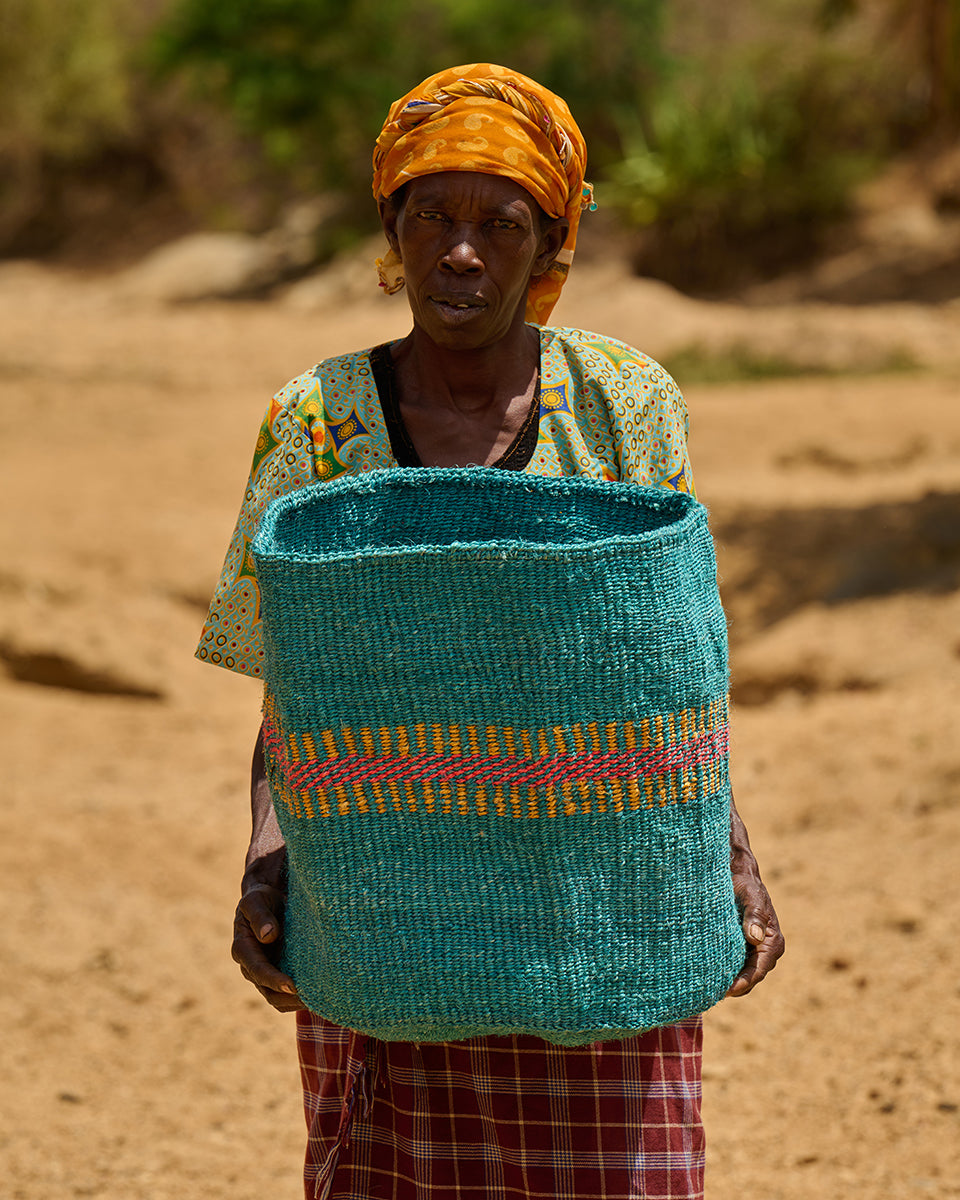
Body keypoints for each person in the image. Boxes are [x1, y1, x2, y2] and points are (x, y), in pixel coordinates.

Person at [197, 63, 784, 1200]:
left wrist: (727, 850)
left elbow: (670, 677)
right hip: (386, 908)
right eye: (432, 217)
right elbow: (296, 699)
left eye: (501, 224)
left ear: (552, 241)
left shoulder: (626, 402)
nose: (461, 252)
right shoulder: (315, 422)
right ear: (391, 228)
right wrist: (269, 859)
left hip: (599, 904)